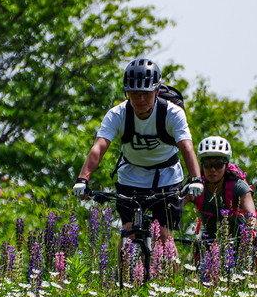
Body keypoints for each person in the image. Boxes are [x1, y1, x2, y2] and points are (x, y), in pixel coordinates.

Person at [73, 57, 203, 251]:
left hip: (167, 177)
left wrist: (195, 179)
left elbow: (186, 147)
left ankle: (171, 280)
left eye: (146, 93)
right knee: (128, 234)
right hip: (131, 177)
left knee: (164, 237)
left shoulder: (172, 113)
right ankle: (123, 281)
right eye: (135, 94)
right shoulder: (117, 114)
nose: (141, 99)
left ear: (156, 92)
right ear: (127, 94)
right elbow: (99, 147)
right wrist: (83, 179)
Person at [189, 136, 257, 239]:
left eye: (218, 165)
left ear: (226, 165)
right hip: (208, 241)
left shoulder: (238, 186)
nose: (212, 170)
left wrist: (251, 231)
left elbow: (251, 216)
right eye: (207, 165)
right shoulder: (195, 186)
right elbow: (174, 209)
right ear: (201, 166)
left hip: (238, 241)